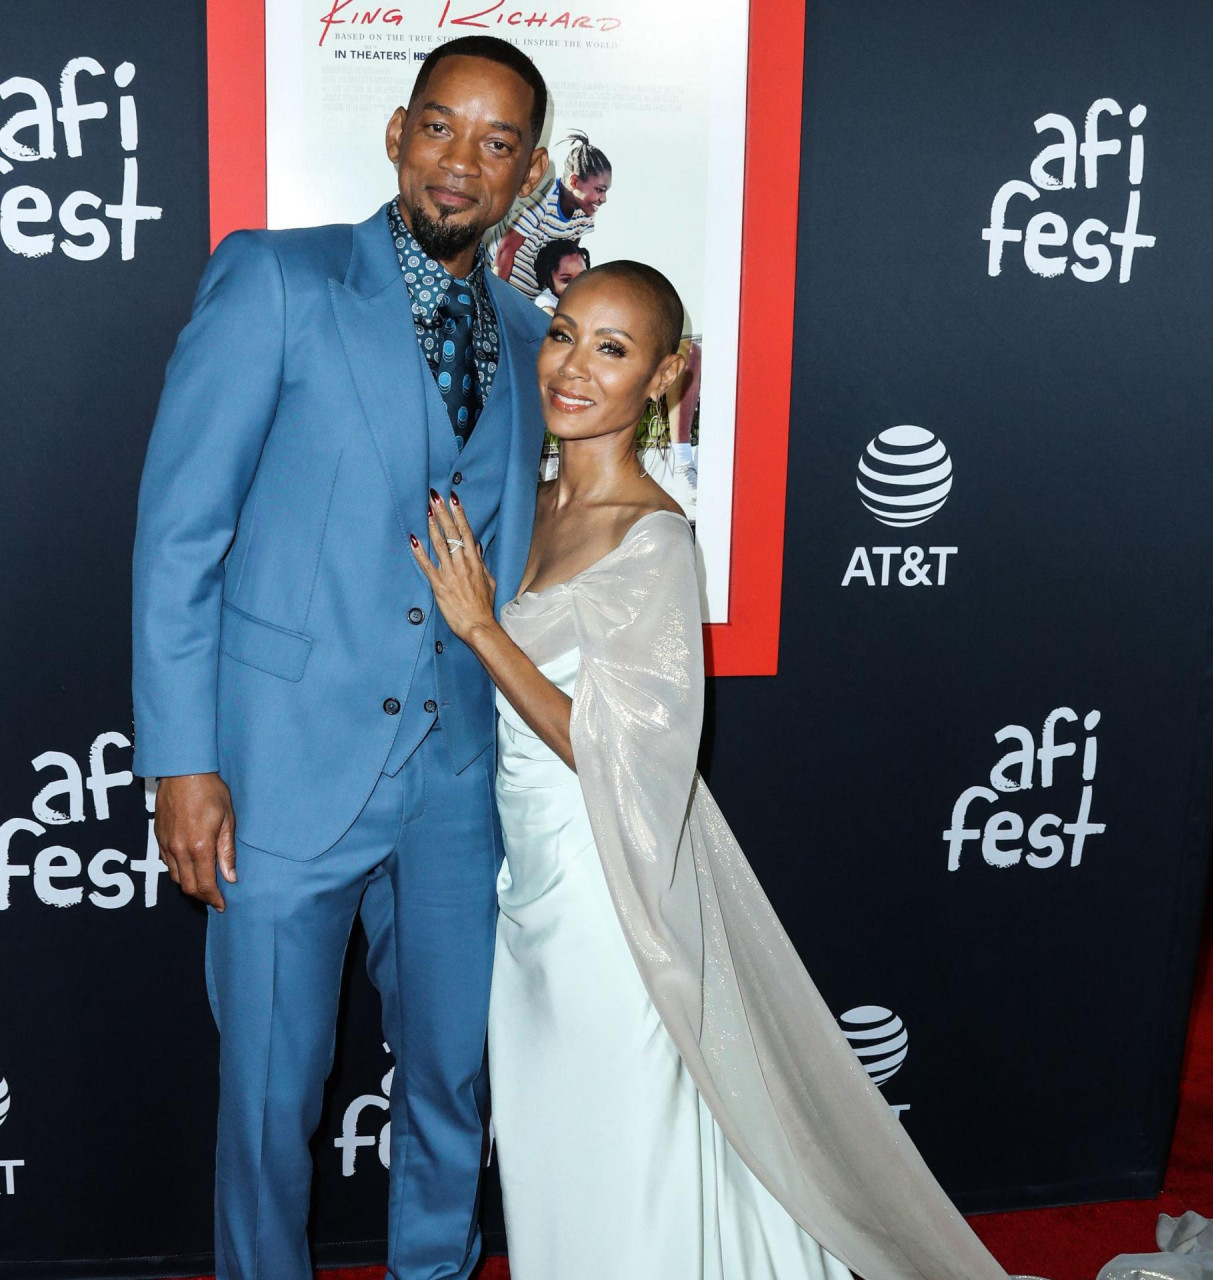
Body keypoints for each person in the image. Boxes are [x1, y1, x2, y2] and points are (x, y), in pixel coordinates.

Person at [409, 262, 1009, 1280]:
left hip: (609, 888)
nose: (572, 367)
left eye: (612, 349)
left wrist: (481, 629)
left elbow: (618, 751)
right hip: (525, 878)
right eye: (563, 334)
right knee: (557, 1129)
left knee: (621, 1129)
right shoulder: (529, 504)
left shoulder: (652, 540)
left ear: (663, 378)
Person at [131, 36, 550, 1280]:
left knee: (451, 1077)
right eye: (439, 126)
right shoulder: (275, 279)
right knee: (270, 1098)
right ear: (395, 133)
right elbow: (180, 536)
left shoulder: (530, 332)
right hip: (281, 771)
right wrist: (182, 760)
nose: (459, 162)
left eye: (494, 142)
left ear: (528, 174)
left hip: (454, 774)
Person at [491, 129, 611, 298]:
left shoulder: (584, 215)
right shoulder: (541, 200)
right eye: (599, 190)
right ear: (574, 182)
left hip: (532, 296)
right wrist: (497, 302)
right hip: (502, 286)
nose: (604, 199)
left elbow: (567, 260)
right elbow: (506, 250)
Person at [530, 236, 590, 314]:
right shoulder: (546, 303)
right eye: (566, 280)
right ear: (548, 280)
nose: (576, 285)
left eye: (581, 277)